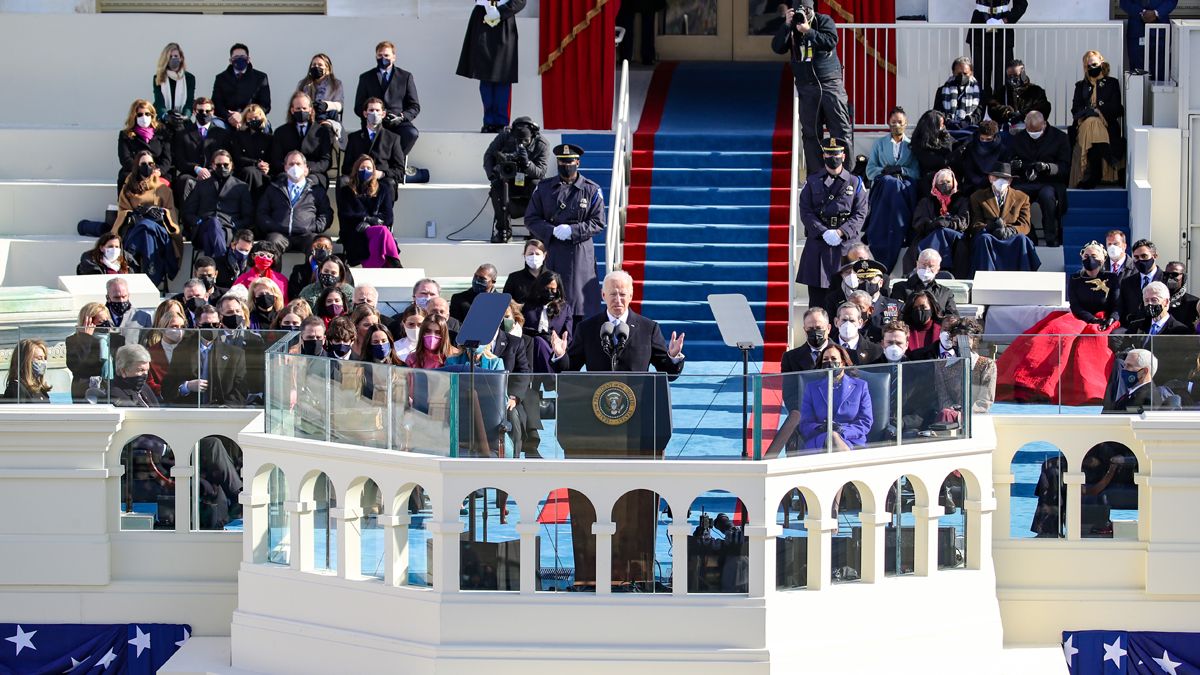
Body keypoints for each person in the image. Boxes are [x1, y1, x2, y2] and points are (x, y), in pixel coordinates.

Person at [995, 242, 1119, 405]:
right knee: (1054, 332)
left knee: (1093, 338)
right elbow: (1075, 305)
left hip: (1104, 318)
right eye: (1086, 256)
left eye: (1094, 256)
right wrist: (1091, 319)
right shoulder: (1075, 278)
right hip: (1079, 316)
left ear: (1102, 259)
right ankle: (1030, 383)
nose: (1090, 259)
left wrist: (1111, 318)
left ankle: (1090, 390)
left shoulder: (1112, 278)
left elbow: (1117, 303)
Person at [772, 0, 854, 175]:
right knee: (811, 135)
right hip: (807, 86)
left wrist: (808, 31)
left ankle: (847, 176)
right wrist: (787, 26)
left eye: (807, 10)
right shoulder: (791, 27)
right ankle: (817, 177)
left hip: (830, 83)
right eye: (799, 11)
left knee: (840, 129)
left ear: (813, 9)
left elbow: (831, 41)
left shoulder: (823, 21)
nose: (803, 14)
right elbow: (777, 47)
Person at [525, 143, 606, 321]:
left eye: (569, 161)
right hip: (553, 251)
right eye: (562, 162)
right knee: (552, 301)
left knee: (581, 305)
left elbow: (598, 222)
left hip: (580, 254)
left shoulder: (591, 190)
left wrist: (573, 230)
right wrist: (550, 230)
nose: (566, 166)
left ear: (578, 162)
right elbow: (531, 218)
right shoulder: (544, 188)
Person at [548, 270, 685, 374]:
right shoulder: (586, 328)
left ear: (631, 296)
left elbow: (667, 371)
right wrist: (560, 355)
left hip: (637, 402)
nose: (618, 300)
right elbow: (569, 368)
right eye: (613, 294)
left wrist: (672, 357)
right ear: (603, 295)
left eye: (623, 294)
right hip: (597, 402)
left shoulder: (649, 328)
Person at [796, 139, 868, 309]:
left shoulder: (855, 182)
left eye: (836, 153)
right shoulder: (812, 181)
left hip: (846, 247)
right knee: (817, 303)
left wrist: (841, 232)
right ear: (824, 155)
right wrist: (823, 232)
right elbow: (805, 210)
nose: (833, 157)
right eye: (829, 153)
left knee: (848, 302)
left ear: (843, 155)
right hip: (819, 245)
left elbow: (861, 213)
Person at [457, 0, 526, 132]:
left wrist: (501, 12)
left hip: (504, 21)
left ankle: (501, 122)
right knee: (485, 75)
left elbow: (520, 1)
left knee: (503, 75)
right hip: (482, 18)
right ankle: (489, 121)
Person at [864, 107, 919, 272]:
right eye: (893, 122)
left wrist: (902, 171)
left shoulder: (912, 146)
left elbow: (917, 172)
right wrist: (884, 171)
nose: (896, 125)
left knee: (896, 185)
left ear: (906, 123)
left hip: (904, 187)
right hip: (884, 187)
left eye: (900, 122)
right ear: (889, 122)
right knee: (889, 183)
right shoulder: (879, 144)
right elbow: (870, 170)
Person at [162, 304, 248, 407]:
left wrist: (226, 408)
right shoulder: (182, 351)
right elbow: (168, 387)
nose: (211, 328)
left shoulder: (235, 354)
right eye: (206, 325)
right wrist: (187, 386)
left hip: (222, 414)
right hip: (191, 412)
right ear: (197, 325)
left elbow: (241, 389)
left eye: (215, 325)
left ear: (220, 325)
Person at [485, 116, 552, 243]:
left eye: (525, 141)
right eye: (518, 140)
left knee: (537, 186)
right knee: (496, 187)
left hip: (529, 180)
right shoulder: (504, 137)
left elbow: (541, 172)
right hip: (508, 179)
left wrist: (527, 164)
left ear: (532, 135)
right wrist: (493, 175)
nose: (521, 144)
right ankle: (503, 230)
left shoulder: (542, 144)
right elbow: (488, 156)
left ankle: (535, 231)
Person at [1009, 111, 1071, 247]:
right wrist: (1015, 165)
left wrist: (1048, 167)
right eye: (1030, 131)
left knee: (1047, 196)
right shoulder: (1018, 138)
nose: (1033, 134)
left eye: (1036, 131)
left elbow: (1065, 167)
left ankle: (1051, 236)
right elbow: (1010, 160)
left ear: (1044, 124)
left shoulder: (1060, 138)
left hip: (1049, 182)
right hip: (1025, 181)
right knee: (1015, 195)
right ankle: (1029, 235)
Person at [798, 344, 873, 451]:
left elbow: (866, 421)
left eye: (833, 359)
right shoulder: (812, 387)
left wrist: (842, 431)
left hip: (851, 438)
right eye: (825, 359)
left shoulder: (860, 386)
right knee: (832, 437)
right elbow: (805, 423)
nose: (829, 362)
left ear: (843, 362)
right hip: (820, 438)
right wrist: (820, 428)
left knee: (834, 437)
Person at [256, 151, 333, 253]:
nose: (295, 167)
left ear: (305, 167)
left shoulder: (316, 190)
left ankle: (310, 269)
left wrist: (314, 227)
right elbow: (262, 212)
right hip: (280, 235)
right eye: (291, 164)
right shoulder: (274, 188)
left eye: (298, 164)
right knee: (271, 244)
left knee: (318, 245)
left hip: (306, 235)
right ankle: (274, 270)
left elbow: (326, 213)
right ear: (285, 167)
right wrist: (273, 226)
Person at [968, 162, 1037, 273]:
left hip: (1011, 236)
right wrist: (991, 227)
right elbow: (976, 222)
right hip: (989, 235)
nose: (1001, 181)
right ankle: (987, 275)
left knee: (1022, 239)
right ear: (990, 178)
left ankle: (1023, 277)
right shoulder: (977, 196)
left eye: (1005, 178)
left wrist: (1010, 231)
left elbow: (1025, 225)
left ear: (1010, 181)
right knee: (983, 239)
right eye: (997, 177)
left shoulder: (1022, 197)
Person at [354, 41, 421, 156]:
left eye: (386, 55)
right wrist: (374, 116)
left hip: (398, 122)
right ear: (376, 56)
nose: (383, 58)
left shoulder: (405, 76)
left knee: (411, 133)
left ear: (394, 57)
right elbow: (358, 106)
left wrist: (401, 117)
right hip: (374, 122)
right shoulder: (366, 77)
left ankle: (396, 161)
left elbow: (414, 106)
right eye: (380, 55)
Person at [1070, 51, 1124, 189]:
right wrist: (1089, 112)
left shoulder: (1112, 83)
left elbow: (1117, 108)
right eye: (1088, 66)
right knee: (1092, 122)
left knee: (1095, 123)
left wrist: (1099, 111)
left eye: (1094, 64)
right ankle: (1109, 157)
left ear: (1101, 62)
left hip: (1107, 125)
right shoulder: (1080, 85)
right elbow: (1075, 110)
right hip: (1084, 124)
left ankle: (1094, 175)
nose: (1092, 68)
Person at [183, 150, 252, 257]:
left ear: (232, 165)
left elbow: (248, 217)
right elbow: (188, 212)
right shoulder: (201, 185)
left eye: (226, 165)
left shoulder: (241, 187)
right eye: (219, 165)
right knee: (213, 222)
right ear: (212, 166)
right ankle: (223, 261)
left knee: (208, 237)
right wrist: (198, 221)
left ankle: (215, 265)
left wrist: (234, 225)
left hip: (228, 231)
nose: (222, 168)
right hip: (203, 227)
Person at [336, 154, 398, 267]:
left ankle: (374, 266)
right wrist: (365, 219)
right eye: (362, 168)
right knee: (382, 231)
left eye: (369, 168)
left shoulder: (383, 189)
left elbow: (388, 217)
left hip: (377, 230)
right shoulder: (346, 191)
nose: (366, 171)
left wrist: (369, 222)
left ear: (373, 170)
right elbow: (346, 214)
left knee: (382, 231)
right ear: (356, 169)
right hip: (356, 231)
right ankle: (394, 262)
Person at [907, 168, 970, 274]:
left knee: (954, 240)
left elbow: (964, 222)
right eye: (941, 182)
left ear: (954, 183)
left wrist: (948, 223)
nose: (945, 185)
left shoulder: (962, 200)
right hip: (930, 234)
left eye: (948, 182)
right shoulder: (926, 201)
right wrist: (932, 223)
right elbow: (918, 222)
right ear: (935, 184)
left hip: (954, 237)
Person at [172, 97, 232, 206]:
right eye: (200, 111)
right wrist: (196, 168)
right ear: (194, 112)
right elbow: (179, 160)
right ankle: (187, 218)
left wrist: (211, 171)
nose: (204, 113)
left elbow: (227, 157)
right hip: (191, 173)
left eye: (207, 111)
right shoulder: (183, 134)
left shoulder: (222, 134)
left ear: (212, 112)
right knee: (183, 181)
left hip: (215, 172)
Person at [270, 92, 335, 190]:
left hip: (313, 173)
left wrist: (308, 169)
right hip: (287, 173)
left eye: (304, 108)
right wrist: (292, 169)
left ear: (310, 110)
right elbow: (276, 159)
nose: (301, 111)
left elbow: (326, 161)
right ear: (292, 110)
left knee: (311, 183)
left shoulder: (322, 131)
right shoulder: (281, 132)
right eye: (298, 109)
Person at [342, 97, 407, 193]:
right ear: (365, 113)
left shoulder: (393, 138)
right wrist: (360, 172)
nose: (374, 113)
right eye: (371, 110)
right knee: (343, 181)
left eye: (377, 110)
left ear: (383, 114)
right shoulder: (354, 138)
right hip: (359, 179)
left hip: (381, 179)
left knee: (389, 184)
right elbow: (345, 167)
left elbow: (400, 170)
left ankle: (383, 208)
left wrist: (382, 174)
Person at [966, 0, 1028, 100]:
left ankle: (1000, 111)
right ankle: (982, 112)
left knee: (1003, 77)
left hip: (1003, 28)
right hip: (980, 24)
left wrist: (1005, 20)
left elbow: (1021, 4)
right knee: (981, 77)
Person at [66, 303, 120, 402]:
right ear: (88, 321)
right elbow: (75, 366)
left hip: (109, 389)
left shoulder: (111, 340)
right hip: (86, 392)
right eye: (101, 322)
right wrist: (86, 338)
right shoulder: (74, 340)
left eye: (106, 321)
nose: (105, 325)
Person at [212, 43, 271, 130]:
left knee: (265, 127)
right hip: (228, 121)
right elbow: (216, 103)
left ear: (248, 59)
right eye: (236, 57)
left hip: (252, 118)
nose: (239, 59)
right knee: (214, 125)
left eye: (243, 56)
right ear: (230, 60)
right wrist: (230, 116)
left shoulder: (260, 77)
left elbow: (265, 104)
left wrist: (243, 115)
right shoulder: (221, 78)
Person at [117, 100, 173, 190]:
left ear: (152, 115)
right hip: (134, 172)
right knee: (125, 178)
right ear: (134, 116)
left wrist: (158, 171)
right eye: (140, 114)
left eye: (147, 114)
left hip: (157, 172)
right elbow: (125, 159)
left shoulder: (162, 132)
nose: (144, 117)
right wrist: (141, 171)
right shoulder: (126, 135)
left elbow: (167, 159)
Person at [985, 59, 1051, 131]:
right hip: (1009, 132)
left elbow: (1044, 108)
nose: (1012, 79)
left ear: (1023, 74)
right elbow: (992, 108)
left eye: (1016, 75)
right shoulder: (1002, 92)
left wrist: (1024, 115)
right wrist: (1008, 113)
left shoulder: (1036, 91)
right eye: (1010, 76)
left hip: (1031, 131)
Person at [891, 248, 958, 318]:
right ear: (917, 264)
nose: (926, 269)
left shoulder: (945, 293)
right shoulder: (900, 288)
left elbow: (953, 317)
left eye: (931, 266)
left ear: (938, 269)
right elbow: (896, 314)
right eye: (923, 264)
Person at [822, 251, 884, 324]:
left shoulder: (882, 295)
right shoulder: (833, 298)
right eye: (847, 272)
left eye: (854, 272)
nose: (851, 275)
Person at [296, 53, 345, 143]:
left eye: (320, 65)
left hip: (327, 118)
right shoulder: (303, 84)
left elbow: (339, 105)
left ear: (327, 68)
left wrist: (326, 105)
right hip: (308, 118)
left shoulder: (336, 84)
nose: (316, 67)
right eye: (314, 65)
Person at [1122, 0, 1176, 78]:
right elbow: (1124, 2)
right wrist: (1142, 13)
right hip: (1136, 31)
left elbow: (1172, 1)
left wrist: (1156, 13)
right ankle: (1137, 90)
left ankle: (1159, 90)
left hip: (1161, 31)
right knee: (1137, 72)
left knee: (1160, 72)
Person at [909, 110, 957, 197]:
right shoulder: (919, 143)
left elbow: (953, 148)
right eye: (941, 125)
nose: (943, 127)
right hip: (928, 181)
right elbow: (940, 161)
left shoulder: (943, 136)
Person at [954, 120, 1009, 196]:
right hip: (972, 186)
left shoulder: (1002, 150)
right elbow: (967, 168)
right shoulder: (971, 147)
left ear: (994, 137)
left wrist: (989, 182)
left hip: (993, 187)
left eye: (988, 139)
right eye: (982, 139)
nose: (984, 141)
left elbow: (1001, 171)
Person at [229, 103, 273, 198]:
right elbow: (237, 157)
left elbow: (272, 157)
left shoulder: (268, 138)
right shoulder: (238, 136)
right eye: (250, 119)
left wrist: (267, 167)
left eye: (256, 118)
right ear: (245, 120)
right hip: (245, 173)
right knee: (250, 171)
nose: (253, 121)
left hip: (264, 173)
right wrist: (256, 163)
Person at [933, 57, 983, 136]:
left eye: (965, 73)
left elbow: (979, 114)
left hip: (970, 131)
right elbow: (938, 111)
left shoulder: (979, 93)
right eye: (958, 74)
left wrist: (966, 122)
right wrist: (948, 121)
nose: (962, 76)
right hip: (947, 130)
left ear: (971, 73)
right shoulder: (942, 90)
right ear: (953, 72)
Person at [1117, 238, 1164, 322]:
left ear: (1155, 256)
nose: (1140, 260)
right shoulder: (1127, 282)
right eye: (1136, 257)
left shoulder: (1166, 280)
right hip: (1133, 329)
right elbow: (1121, 307)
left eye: (1144, 256)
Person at [780, 307, 832, 377]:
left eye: (819, 328)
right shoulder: (790, 358)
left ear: (828, 328)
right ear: (805, 330)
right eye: (810, 328)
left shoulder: (845, 353)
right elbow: (789, 386)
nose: (815, 332)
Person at [152, 43, 195, 124]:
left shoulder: (189, 78)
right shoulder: (158, 77)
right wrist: (166, 116)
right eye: (170, 57)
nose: (173, 59)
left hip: (182, 118)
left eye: (176, 56)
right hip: (164, 119)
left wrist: (185, 116)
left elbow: (189, 101)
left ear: (181, 58)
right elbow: (159, 101)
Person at [146, 310, 186, 397]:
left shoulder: (191, 350)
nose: (179, 330)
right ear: (162, 328)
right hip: (161, 401)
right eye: (174, 326)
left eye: (182, 326)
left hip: (190, 401)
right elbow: (149, 383)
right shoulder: (149, 353)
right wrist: (170, 391)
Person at [502, 239, 548, 304]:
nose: (534, 256)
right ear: (524, 255)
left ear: (544, 255)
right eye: (530, 254)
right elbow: (505, 302)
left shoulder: (553, 278)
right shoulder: (514, 278)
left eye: (537, 254)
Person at [1163, 261, 1199, 328]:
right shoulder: (1156, 300)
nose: (1170, 277)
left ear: (1184, 277)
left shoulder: (1194, 302)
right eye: (1166, 274)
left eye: (1174, 274)